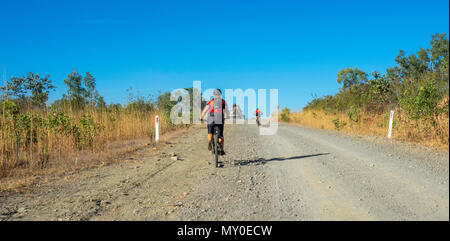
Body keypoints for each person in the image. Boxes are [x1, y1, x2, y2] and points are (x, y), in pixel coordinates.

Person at [200, 89, 230, 155]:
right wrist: (228, 116)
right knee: (221, 136)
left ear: (214, 95)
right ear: (220, 94)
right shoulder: (223, 102)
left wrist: (201, 117)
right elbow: (227, 111)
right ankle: (222, 150)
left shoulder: (211, 101)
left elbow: (205, 110)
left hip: (211, 118)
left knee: (210, 133)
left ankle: (210, 142)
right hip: (220, 119)